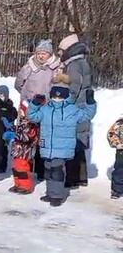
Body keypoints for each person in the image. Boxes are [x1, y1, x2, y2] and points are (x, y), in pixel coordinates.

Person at [27, 77, 96, 207]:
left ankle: (57, 196)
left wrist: (90, 102)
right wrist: (34, 104)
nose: (57, 100)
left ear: (66, 96)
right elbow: (32, 116)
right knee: (48, 170)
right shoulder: (45, 109)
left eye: (60, 97)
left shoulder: (72, 110)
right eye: (54, 97)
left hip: (63, 148)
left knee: (57, 170)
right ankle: (50, 192)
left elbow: (87, 115)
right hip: (47, 147)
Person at [15, 39, 61, 181]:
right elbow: (18, 84)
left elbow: (60, 87)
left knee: (43, 139)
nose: (41, 56)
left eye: (44, 53)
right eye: (39, 53)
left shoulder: (56, 68)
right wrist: (27, 97)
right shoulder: (28, 67)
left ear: (50, 54)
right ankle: (24, 169)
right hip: (28, 108)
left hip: (46, 109)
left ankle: (42, 171)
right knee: (26, 139)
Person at [58, 34, 93, 189]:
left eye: (61, 50)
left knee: (71, 143)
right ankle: (81, 177)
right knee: (79, 142)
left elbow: (74, 87)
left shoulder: (73, 65)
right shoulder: (83, 62)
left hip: (76, 107)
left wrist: (66, 104)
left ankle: (71, 179)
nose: (59, 53)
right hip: (83, 106)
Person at [5, 100, 40, 195]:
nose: (19, 112)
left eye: (21, 110)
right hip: (18, 150)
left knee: (22, 168)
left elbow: (27, 137)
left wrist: (15, 135)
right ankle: (18, 184)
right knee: (15, 167)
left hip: (25, 151)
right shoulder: (21, 121)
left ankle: (26, 185)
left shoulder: (31, 123)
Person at [107, 116, 123, 199]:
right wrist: (117, 144)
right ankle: (117, 190)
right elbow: (111, 134)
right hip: (121, 151)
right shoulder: (120, 123)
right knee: (120, 170)